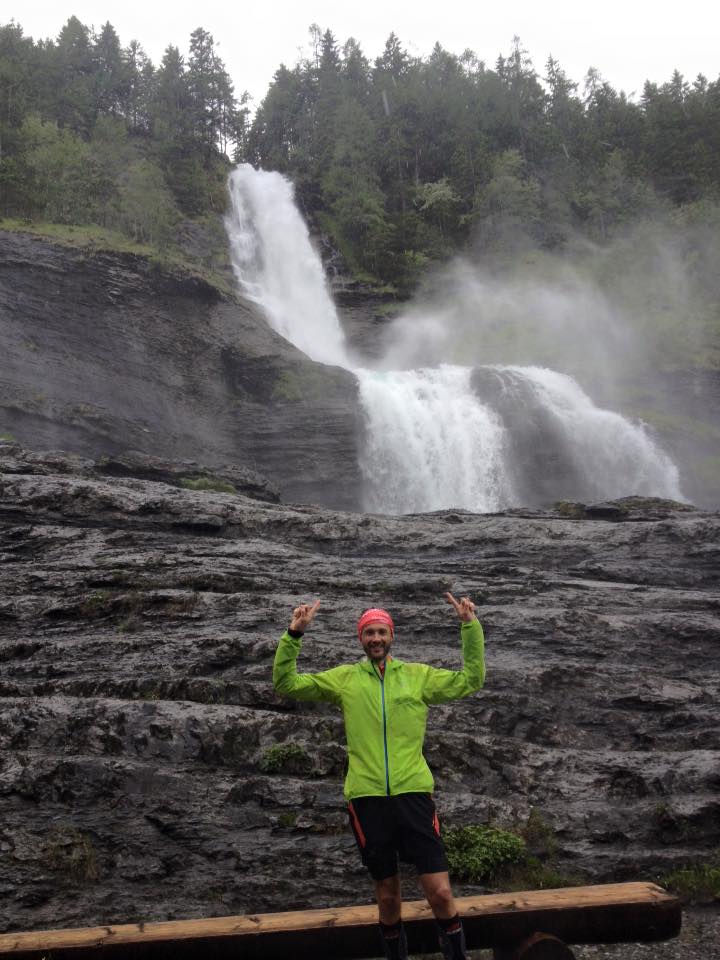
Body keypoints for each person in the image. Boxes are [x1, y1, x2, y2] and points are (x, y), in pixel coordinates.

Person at [273, 592, 485, 960]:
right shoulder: (345, 680)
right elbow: (286, 684)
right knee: (387, 895)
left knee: (441, 893)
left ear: (391, 637)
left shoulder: (418, 677)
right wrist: (294, 634)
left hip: (413, 796)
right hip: (367, 799)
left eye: (381, 632)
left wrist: (470, 627)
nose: (375, 638)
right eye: (369, 632)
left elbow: (472, 679)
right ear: (360, 638)